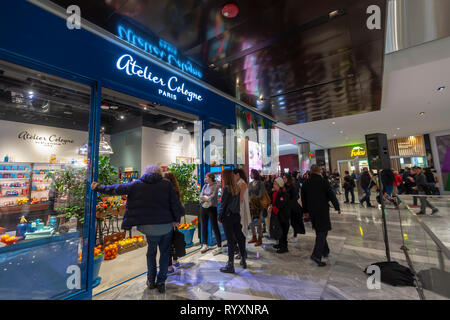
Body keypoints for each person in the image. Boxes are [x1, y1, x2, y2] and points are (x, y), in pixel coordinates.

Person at [91, 165, 183, 293]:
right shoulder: (166, 184)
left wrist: (99, 187)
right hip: (166, 225)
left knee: (151, 253)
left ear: (146, 173)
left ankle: (151, 280)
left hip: (147, 226)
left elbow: (116, 189)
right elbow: (174, 203)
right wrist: (176, 219)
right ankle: (161, 281)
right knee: (165, 253)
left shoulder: (137, 184)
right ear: (160, 173)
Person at [301, 165, 341, 267]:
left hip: (312, 211)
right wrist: (337, 207)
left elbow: (303, 198)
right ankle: (316, 255)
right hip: (322, 210)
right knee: (323, 231)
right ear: (319, 171)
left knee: (320, 230)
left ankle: (325, 250)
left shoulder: (306, 183)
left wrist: (305, 211)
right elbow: (331, 194)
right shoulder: (323, 181)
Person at [218, 169, 247, 273]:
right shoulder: (237, 187)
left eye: (222, 176)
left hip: (227, 217)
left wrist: (219, 217)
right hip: (236, 216)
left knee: (230, 240)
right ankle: (243, 259)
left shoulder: (226, 189)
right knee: (239, 237)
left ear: (225, 177)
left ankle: (230, 264)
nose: (221, 178)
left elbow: (223, 205)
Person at [163, 171, 183, 275]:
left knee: (169, 243)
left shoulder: (168, 190)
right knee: (174, 240)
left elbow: (172, 206)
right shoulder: (175, 189)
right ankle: (175, 261)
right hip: (174, 219)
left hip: (169, 219)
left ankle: (170, 266)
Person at [199, 172, 222, 255]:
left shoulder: (216, 185)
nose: (205, 178)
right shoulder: (205, 186)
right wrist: (206, 198)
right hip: (203, 208)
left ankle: (219, 245)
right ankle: (205, 244)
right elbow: (200, 197)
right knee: (204, 226)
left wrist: (206, 198)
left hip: (212, 208)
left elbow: (212, 197)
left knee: (214, 226)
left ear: (211, 178)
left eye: (206, 177)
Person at [233, 168, 251, 259]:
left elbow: (240, 199)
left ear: (237, 175)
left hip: (241, 210)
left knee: (241, 232)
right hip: (239, 209)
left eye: (234, 175)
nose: (233, 177)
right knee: (239, 232)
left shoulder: (242, 183)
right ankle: (241, 251)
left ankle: (243, 252)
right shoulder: (239, 183)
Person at [268, 177, 290, 253]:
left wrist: (273, 208)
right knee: (279, 230)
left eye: (275, 184)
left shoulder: (283, 193)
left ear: (279, 185)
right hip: (278, 215)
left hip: (283, 216)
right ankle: (280, 244)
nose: (273, 185)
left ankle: (284, 247)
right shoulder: (276, 192)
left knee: (283, 231)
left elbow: (281, 205)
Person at [284, 173, 304, 241]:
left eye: (285, 178)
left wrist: (290, 201)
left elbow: (296, 196)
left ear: (288, 179)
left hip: (293, 208)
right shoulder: (285, 186)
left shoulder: (292, 187)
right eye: (283, 178)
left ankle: (295, 236)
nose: (284, 180)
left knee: (294, 222)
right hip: (287, 207)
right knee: (288, 222)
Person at [248, 169, 265, 246]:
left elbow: (261, 195)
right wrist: (250, 201)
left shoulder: (261, 183)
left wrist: (254, 199)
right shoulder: (250, 184)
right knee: (250, 222)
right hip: (251, 206)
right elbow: (248, 194)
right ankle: (254, 236)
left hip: (258, 206)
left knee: (258, 222)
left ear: (255, 174)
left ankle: (260, 238)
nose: (250, 175)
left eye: (251, 173)